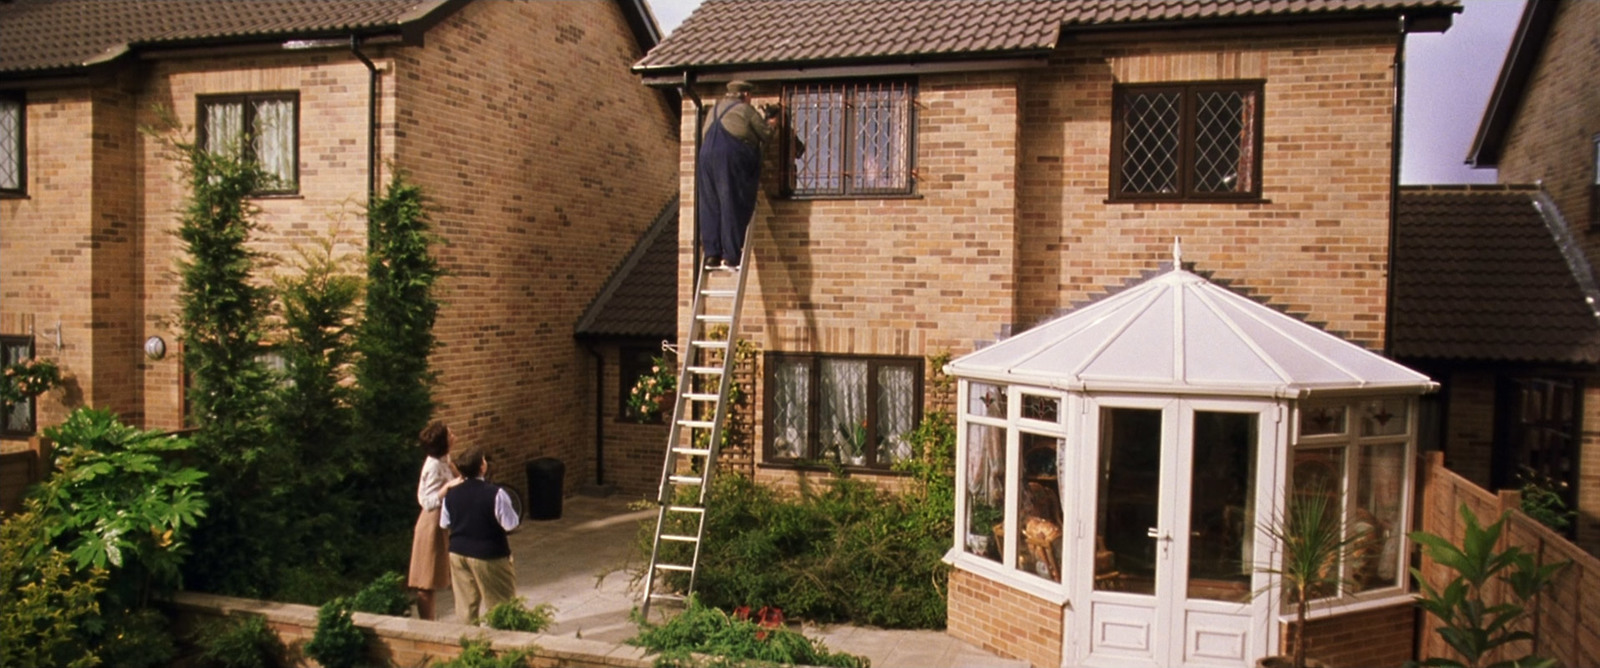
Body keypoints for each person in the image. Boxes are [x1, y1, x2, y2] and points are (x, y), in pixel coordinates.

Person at [696, 80, 779, 271]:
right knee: (731, 200)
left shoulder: (714, 110)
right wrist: (772, 123)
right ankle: (731, 256)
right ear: (745, 95)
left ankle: (711, 254)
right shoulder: (745, 110)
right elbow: (765, 135)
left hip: (706, 156)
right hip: (729, 154)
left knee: (711, 203)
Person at [439, 445, 521, 624]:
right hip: (488, 555)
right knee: (501, 605)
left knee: (465, 607)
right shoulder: (495, 493)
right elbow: (511, 523)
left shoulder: (451, 494)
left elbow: (444, 523)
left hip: (458, 553)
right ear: (482, 467)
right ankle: (504, 645)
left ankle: (469, 643)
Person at [407, 421, 459, 620]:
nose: (453, 435)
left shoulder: (444, 460)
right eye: (449, 434)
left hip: (442, 522)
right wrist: (445, 490)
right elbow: (426, 501)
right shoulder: (433, 466)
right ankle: (427, 624)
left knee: (437, 576)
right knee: (426, 579)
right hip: (430, 524)